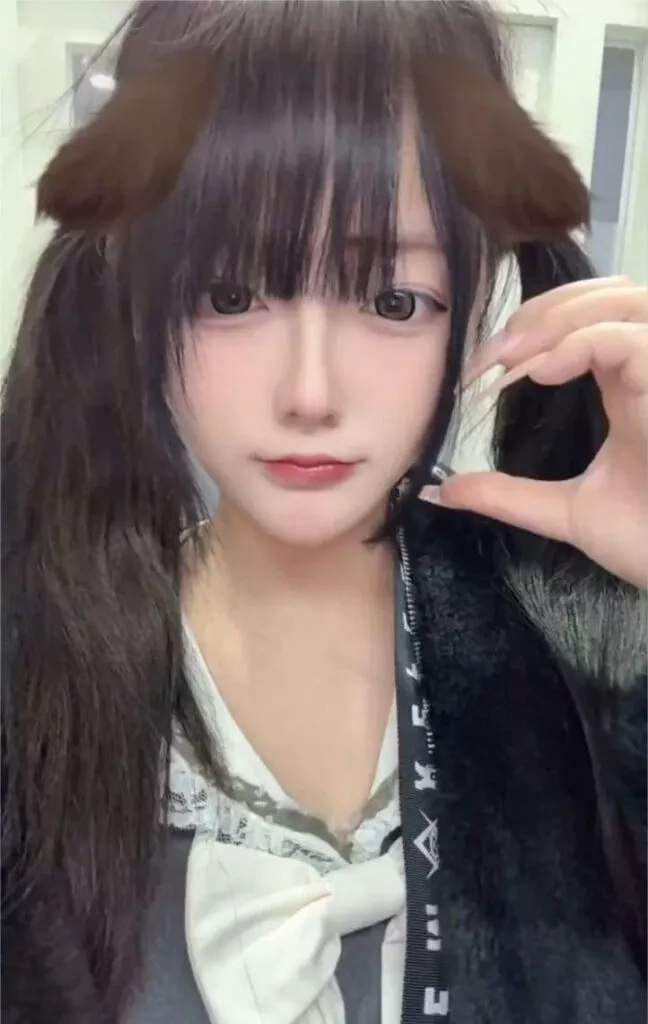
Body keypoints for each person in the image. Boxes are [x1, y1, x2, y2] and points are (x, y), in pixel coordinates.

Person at [2, 2, 646, 1023]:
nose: (309, 393)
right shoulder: (31, 659)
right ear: (131, 281)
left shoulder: (581, 646)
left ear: (476, 293)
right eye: (228, 294)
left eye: (392, 300)